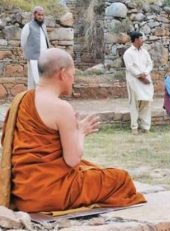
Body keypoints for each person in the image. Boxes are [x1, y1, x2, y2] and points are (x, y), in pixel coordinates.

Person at [0, 48, 145, 213]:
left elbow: (7, 143)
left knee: (89, 168)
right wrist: (81, 132)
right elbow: (72, 160)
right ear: (62, 74)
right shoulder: (61, 108)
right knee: (120, 178)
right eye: (73, 74)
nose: (73, 80)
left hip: (21, 192)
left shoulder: (20, 99)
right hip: (51, 194)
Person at [123, 32, 154, 135]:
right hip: (134, 81)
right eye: (141, 38)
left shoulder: (144, 52)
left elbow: (150, 64)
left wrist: (145, 73)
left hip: (146, 79)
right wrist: (139, 75)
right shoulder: (128, 53)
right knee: (134, 104)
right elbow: (130, 67)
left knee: (147, 102)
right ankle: (134, 127)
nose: (143, 40)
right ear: (135, 40)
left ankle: (145, 127)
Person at [21, 6, 50, 89]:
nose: (41, 17)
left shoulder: (43, 26)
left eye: (42, 15)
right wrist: (28, 52)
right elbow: (23, 42)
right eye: (39, 15)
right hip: (33, 58)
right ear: (34, 15)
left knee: (43, 79)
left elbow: (46, 41)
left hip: (44, 58)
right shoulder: (28, 26)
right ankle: (31, 98)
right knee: (34, 79)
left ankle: (41, 99)